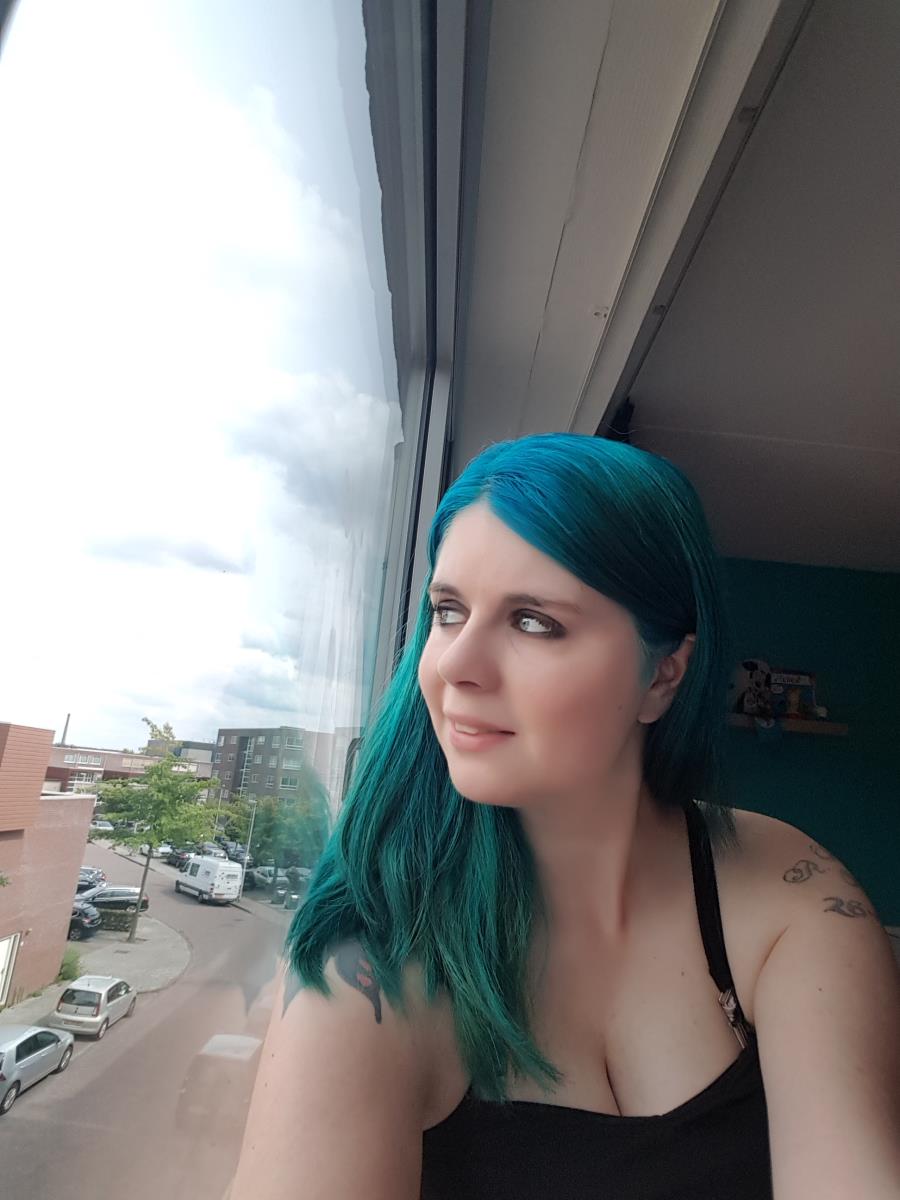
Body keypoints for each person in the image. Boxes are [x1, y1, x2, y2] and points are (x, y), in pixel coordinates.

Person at [231, 433, 900, 1199]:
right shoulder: (370, 963)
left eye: (533, 622)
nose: (455, 665)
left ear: (663, 676)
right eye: (448, 611)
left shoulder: (785, 892)